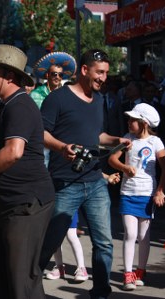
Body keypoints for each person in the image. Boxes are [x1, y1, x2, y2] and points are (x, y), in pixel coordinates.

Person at [39, 49, 131, 299]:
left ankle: (100, 293)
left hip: (95, 182)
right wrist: (62, 147)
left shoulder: (100, 100)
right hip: (65, 183)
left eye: (106, 73)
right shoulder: (57, 99)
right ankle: (27, 286)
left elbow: (96, 136)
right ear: (84, 70)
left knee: (104, 242)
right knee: (50, 240)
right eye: (99, 72)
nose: (103, 78)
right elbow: (42, 134)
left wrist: (116, 141)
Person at [0, 44, 55, 299]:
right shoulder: (8, 105)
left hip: (26, 203)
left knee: (21, 279)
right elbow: (38, 134)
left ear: (9, 76)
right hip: (6, 202)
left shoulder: (20, 105)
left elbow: (14, 151)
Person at [108, 103, 165, 291]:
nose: (129, 122)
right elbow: (112, 159)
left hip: (147, 194)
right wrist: (125, 168)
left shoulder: (156, 142)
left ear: (143, 123)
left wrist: (159, 190)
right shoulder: (127, 139)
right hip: (128, 193)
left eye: (133, 120)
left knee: (143, 235)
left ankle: (140, 271)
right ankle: (128, 274)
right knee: (130, 234)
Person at [45, 172, 120, 282]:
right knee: (55, 238)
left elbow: (89, 167)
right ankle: (59, 267)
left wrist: (107, 177)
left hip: (68, 197)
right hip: (52, 200)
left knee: (71, 235)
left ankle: (81, 268)